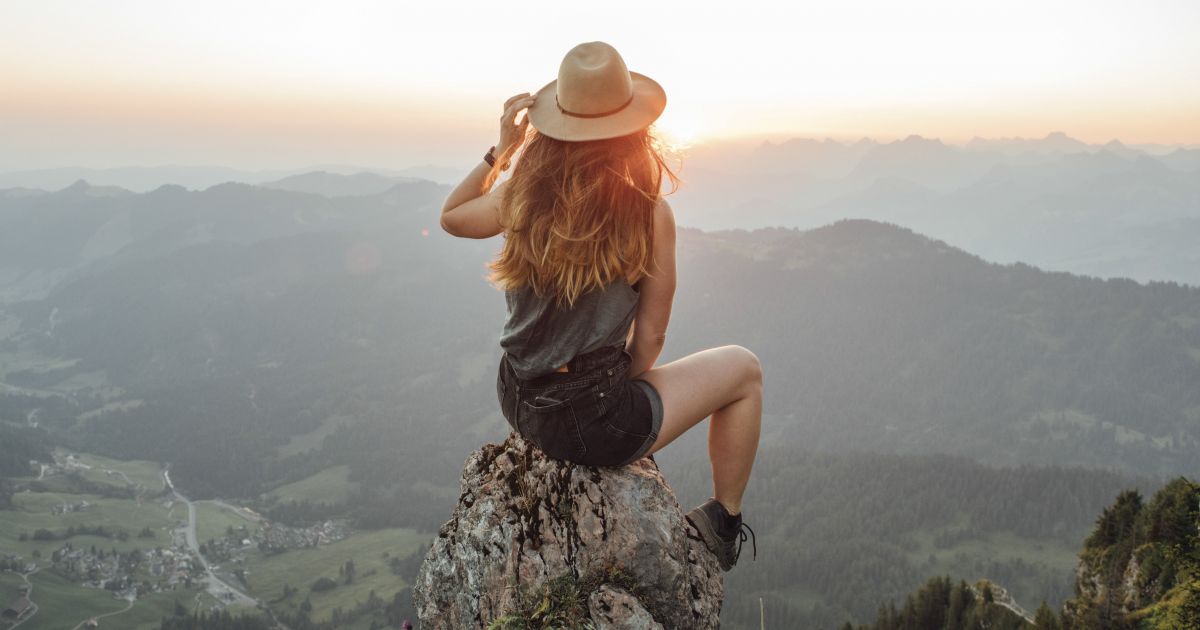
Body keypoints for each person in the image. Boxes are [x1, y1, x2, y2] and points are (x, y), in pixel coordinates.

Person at [439, 41, 761, 571]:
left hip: (516, 395)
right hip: (590, 418)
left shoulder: (522, 192)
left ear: (555, 122)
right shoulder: (649, 215)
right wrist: (610, 393)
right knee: (745, 372)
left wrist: (501, 151)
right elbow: (652, 338)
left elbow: (451, 217)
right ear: (637, 127)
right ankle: (723, 522)